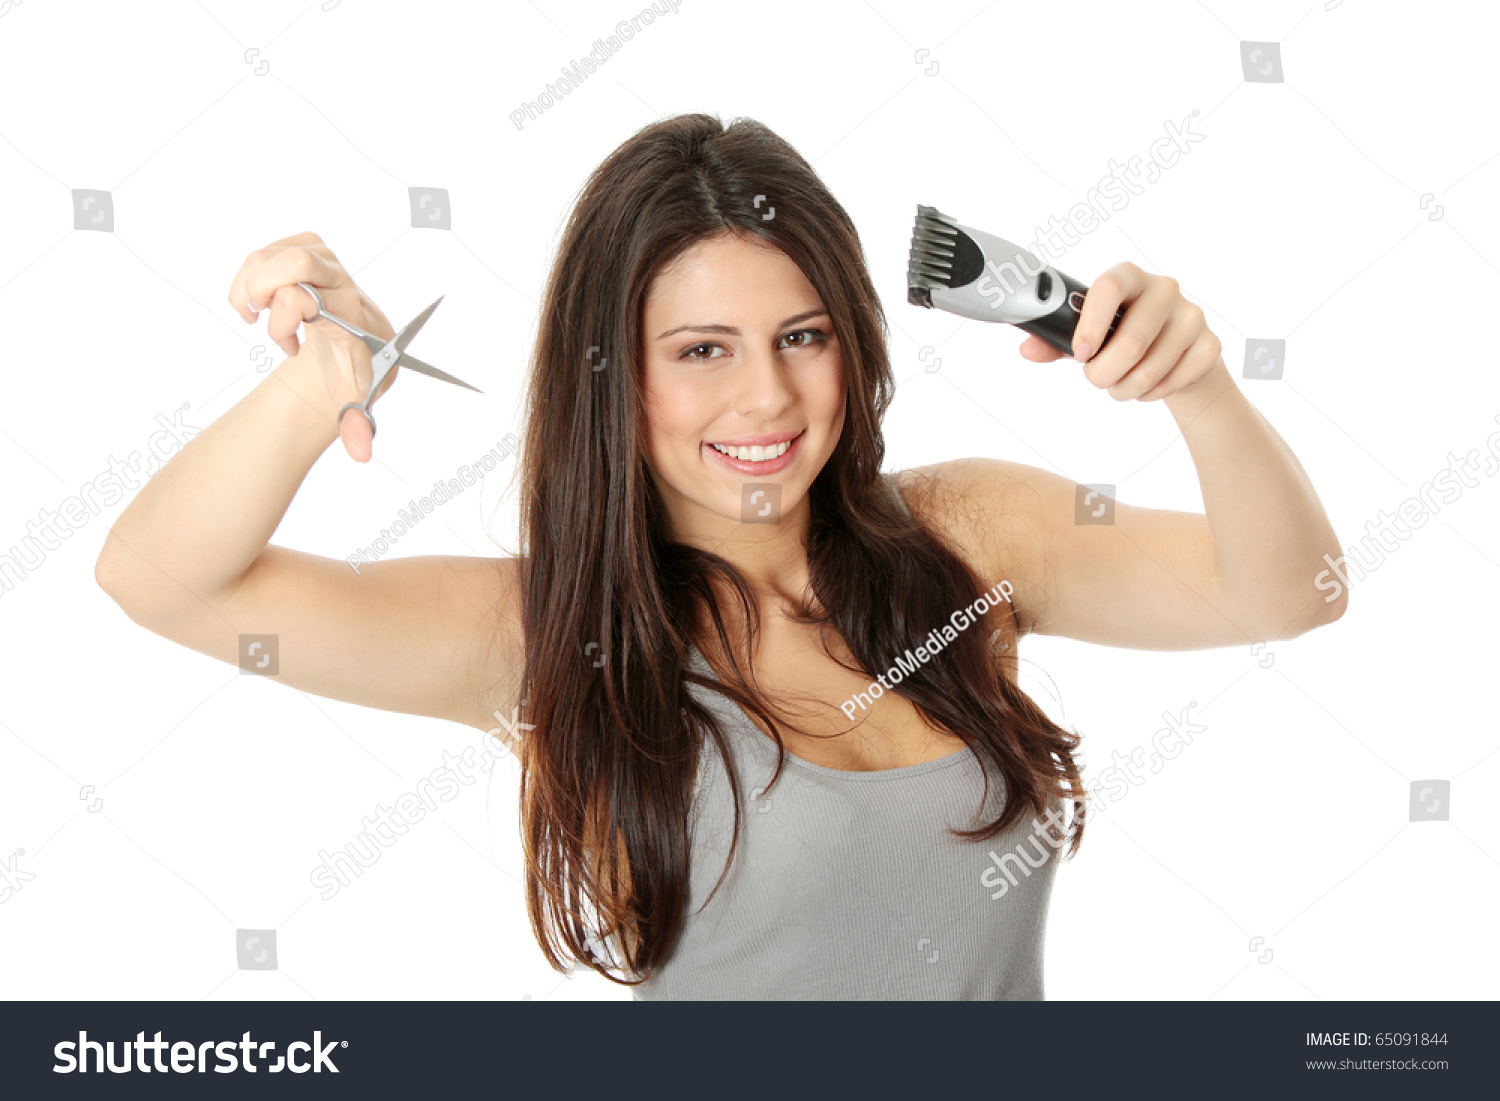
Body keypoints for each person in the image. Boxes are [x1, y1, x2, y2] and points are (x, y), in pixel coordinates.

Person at [95, 113, 1346, 1000]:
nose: (767, 400)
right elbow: (158, 578)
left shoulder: (969, 539)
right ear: (614, 376)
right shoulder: (546, 635)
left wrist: (1202, 389)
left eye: (802, 335)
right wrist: (324, 384)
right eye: (702, 350)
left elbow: (1290, 592)